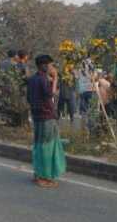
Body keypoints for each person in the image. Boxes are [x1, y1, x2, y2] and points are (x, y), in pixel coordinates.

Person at [28, 54, 66, 188]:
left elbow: (29, 98)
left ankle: (38, 173)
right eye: (50, 65)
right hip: (46, 116)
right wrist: (55, 78)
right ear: (44, 66)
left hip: (36, 115)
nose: (52, 68)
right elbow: (51, 96)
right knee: (47, 146)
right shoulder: (44, 80)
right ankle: (44, 177)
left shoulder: (32, 79)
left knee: (38, 145)